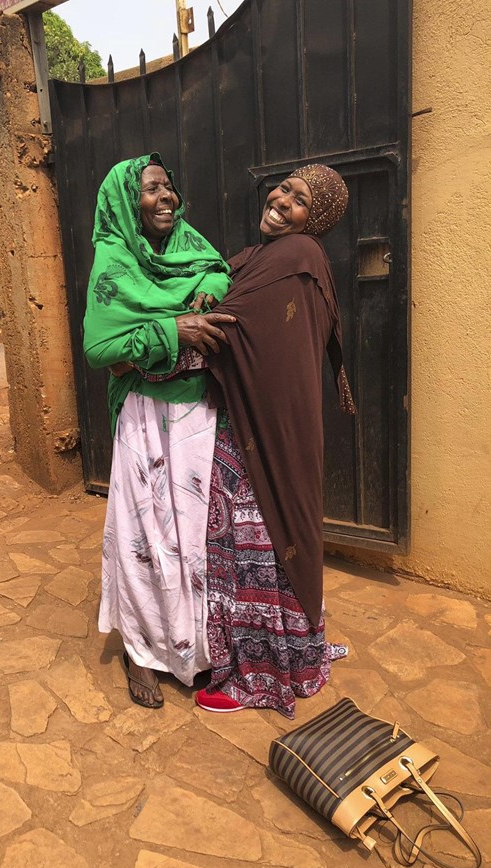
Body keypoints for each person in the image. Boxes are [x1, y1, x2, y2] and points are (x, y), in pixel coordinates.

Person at [194, 164, 356, 718]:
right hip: (257, 425)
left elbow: (227, 323)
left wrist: (165, 330)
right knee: (261, 546)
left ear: (317, 221)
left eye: (301, 200)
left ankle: (263, 676)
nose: (283, 200)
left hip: (258, 433)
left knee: (258, 548)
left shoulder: (296, 257)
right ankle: (300, 655)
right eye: (285, 187)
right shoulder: (261, 257)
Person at [83, 153, 234, 708]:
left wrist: (210, 293)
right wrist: (174, 328)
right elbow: (102, 348)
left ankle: (193, 650)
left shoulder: (190, 243)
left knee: (195, 540)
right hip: (146, 418)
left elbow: (219, 269)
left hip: (199, 416)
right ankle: (141, 653)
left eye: (168, 187)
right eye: (150, 190)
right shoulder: (114, 261)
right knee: (145, 539)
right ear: (127, 202)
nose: (165, 197)